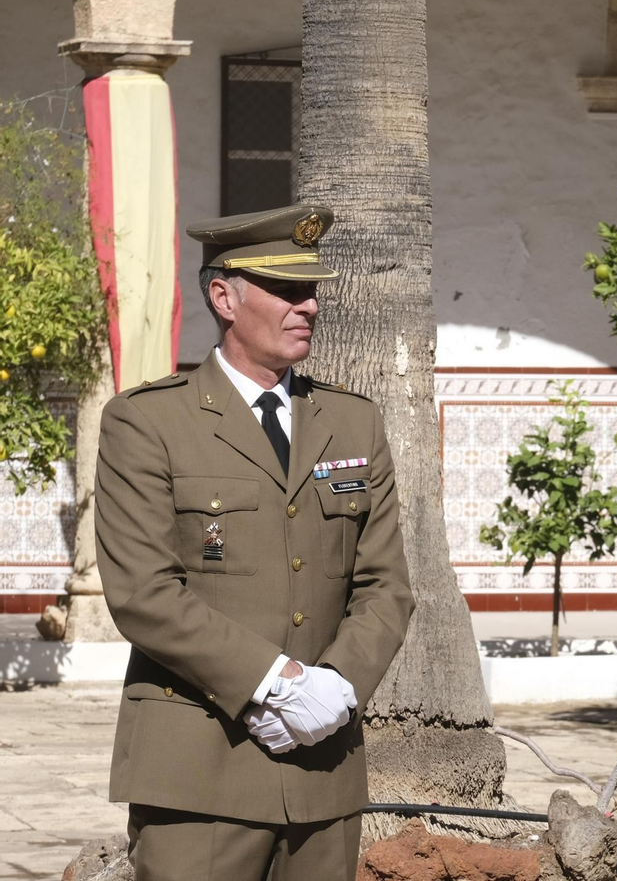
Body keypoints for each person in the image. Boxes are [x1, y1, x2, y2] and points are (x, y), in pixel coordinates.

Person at [96, 204, 415, 881]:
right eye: (288, 290)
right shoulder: (149, 421)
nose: (311, 306)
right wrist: (273, 684)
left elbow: (385, 585)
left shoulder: (353, 421)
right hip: (198, 771)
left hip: (323, 766)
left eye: (313, 290)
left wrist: (334, 687)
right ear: (224, 298)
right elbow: (143, 593)